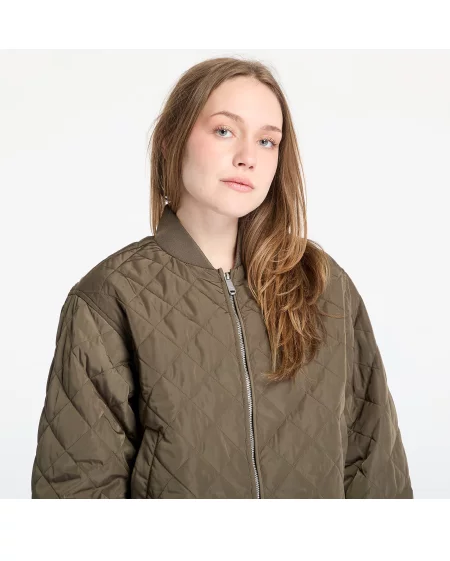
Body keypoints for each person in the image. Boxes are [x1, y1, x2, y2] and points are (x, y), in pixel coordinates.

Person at [31, 56, 413, 499]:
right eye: (225, 131)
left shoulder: (322, 284)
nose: (248, 158)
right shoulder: (111, 297)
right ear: (172, 140)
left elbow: (375, 467)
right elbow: (78, 490)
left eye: (267, 141)